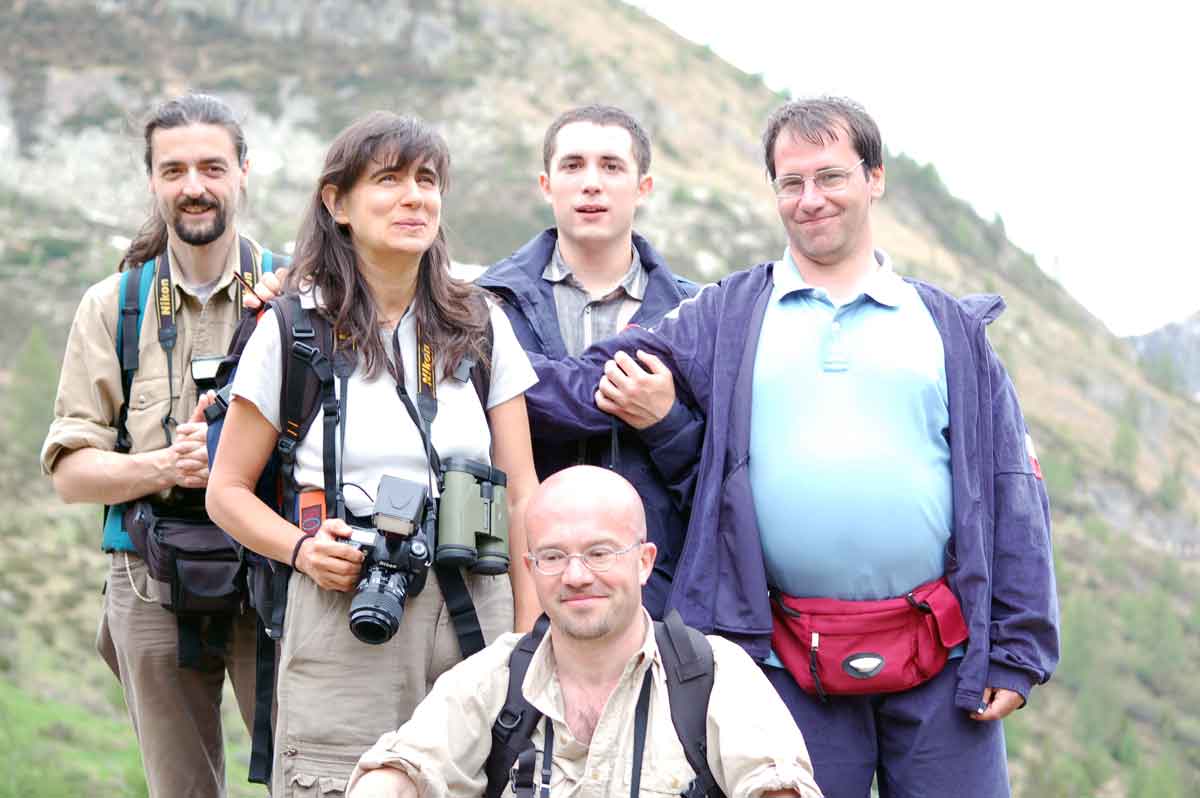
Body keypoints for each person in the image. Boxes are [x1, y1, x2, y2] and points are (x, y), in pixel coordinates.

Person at [523, 97, 1059, 797]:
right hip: (779, 662)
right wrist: (465, 361)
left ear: (875, 179)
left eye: (831, 177)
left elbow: (1012, 486)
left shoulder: (948, 328)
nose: (810, 200)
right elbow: (585, 382)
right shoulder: (726, 315)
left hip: (941, 659)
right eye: (791, 182)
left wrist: (1017, 651)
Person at [205, 110, 541, 796]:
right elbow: (226, 491)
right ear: (338, 203)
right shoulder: (293, 330)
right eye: (388, 180)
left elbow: (525, 495)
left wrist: (532, 640)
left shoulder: (481, 324)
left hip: (478, 607)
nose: (414, 197)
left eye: (426, 180)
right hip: (348, 603)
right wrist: (301, 551)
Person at [40, 93, 267, 797]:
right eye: (173, 170)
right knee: (180, 789)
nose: (193, 186)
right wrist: (164, 465)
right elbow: (71, 474)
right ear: (152, 181)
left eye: (210, 166)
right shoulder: (112, 305)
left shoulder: (294, 293)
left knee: (311, 774)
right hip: (148, 577)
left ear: (243, 172)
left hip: (275, 573)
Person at [346, 465, 823, 798]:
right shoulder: (495, 677)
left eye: (600, 553)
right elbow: (407, 766)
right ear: (530, 568)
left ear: (644, 562)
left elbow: (777, 784)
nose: (576, 576)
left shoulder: (711, 675)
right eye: (553, 556)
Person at [477, 106, 702, 619]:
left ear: (643, 187)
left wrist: (666, 423)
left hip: (655, 600)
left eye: (612, 166)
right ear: (546, 183)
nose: (591, 184)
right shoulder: (481, 306)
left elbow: (716, 472)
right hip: (516, 590)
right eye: (573, 166)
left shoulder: (697, 313)